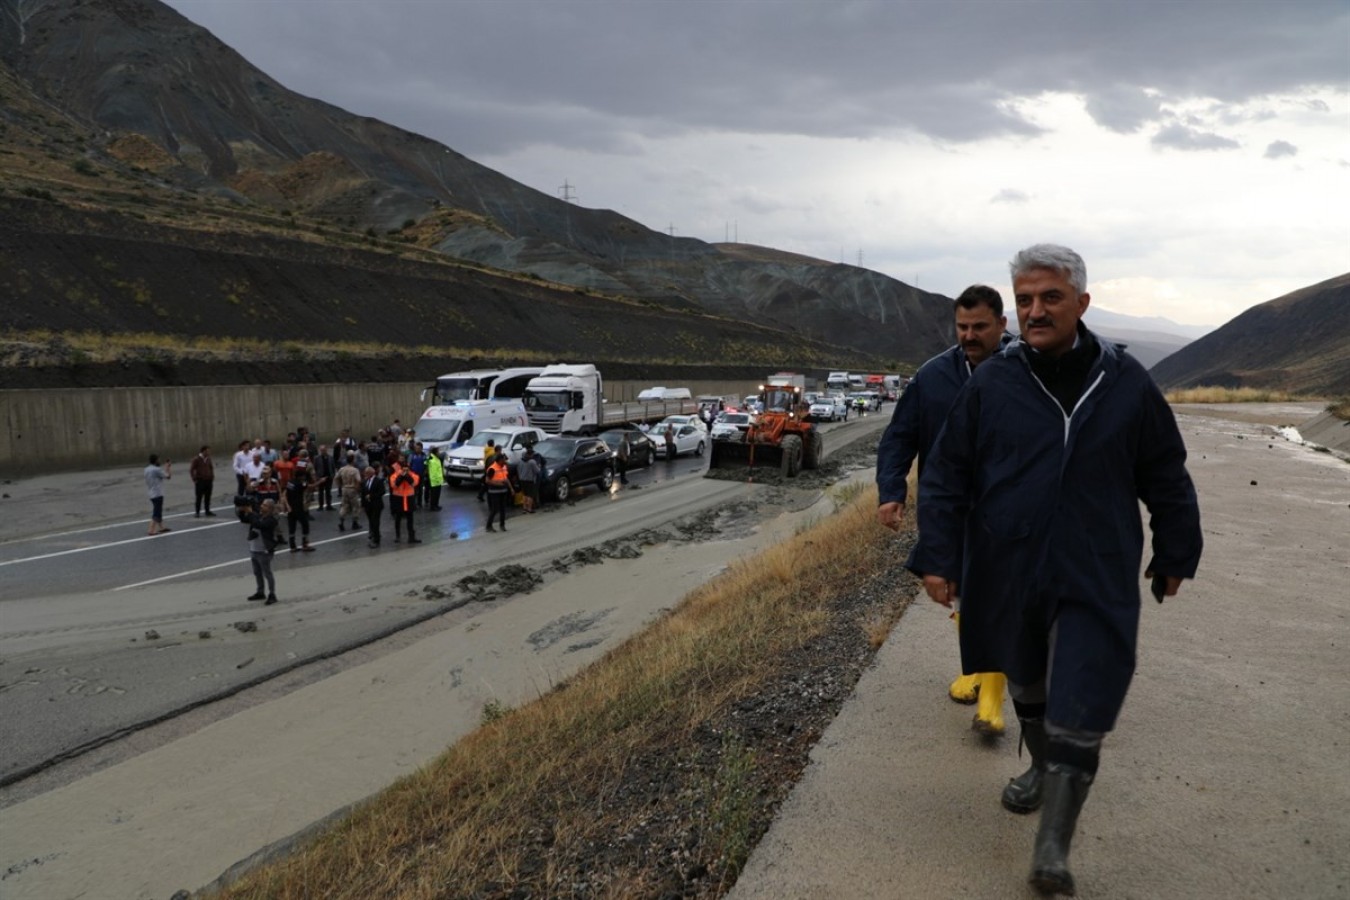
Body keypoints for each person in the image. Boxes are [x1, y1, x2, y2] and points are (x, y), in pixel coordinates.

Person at [907, 244, 1202, 895]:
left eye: (1050, 298)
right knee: (1029, 682)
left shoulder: (1125, 382)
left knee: (1083, 701)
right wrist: (936, 554)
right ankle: (1041, 768)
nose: (1035, 311)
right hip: (1008, 564)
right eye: (1026, 300)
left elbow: (1165, 470)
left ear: (1082, 304)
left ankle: (1052, 849)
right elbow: (949, 471)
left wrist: (1177, 547)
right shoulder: (995, 382)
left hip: (1096, 567)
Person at [876, 284, 1013, 734]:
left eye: (980, 327)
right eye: (962, 327)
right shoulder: (932, 376)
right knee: (958, 592)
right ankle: (975, 668)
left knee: (995, 597)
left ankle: (991, 705)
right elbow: (901, 435)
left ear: (1002, 325)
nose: (969, 335)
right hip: (949, 507)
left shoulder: (1027, 372)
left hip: (1007, 508)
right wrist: (890, 490)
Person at [244, 498, 281, 605]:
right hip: (254, 549)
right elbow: (245, 519)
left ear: (270, 508)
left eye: (264, 505)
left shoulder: (271, 520)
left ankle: (272, 594)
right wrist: (243, 510)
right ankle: (260, 592)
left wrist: (250, 513)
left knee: (267, 573)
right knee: (257, 573)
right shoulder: (259, 516)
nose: (261, 506)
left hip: (264, 551)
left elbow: (260, 525)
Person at [283, 450, 316, 552]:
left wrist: (286, 506)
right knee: (305, 524)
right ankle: (305, 544)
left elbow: (284, 494)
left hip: (291, 508)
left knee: (292, 527)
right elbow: (310, 485)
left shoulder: (290, 482)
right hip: (299, 507)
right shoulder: (300, 483)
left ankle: (292, 546)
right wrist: (320, 482)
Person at [387, 455, 421, 544]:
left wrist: (407, 476)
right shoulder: (394, 476)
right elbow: (394, 485)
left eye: (407, 470)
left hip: (409, 500)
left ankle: (411, 537)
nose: (405, 471)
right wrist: (401, 477)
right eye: (404, 470)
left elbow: (414, 483)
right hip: (399, 499)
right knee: (398, 519)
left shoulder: (413, 475)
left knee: (410, 519)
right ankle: (398, 536)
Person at [143, 454, 172, 535]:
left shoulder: (146, 469)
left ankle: (161, 527)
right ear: (155, 460)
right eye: (159, 460)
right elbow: (168, 476)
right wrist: (168, 467)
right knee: (157, 511)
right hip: (158, 493)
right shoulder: (156, 469)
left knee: (158, 510)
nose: (159, 461)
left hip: (151, 492)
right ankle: (151, 530)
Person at [483, 452, 513, 531]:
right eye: (503, 460)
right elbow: (487, 480)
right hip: (494, 492)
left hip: (503, 491)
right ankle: (488, 526)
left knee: (503, 509)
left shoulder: (503, 467)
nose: (505, 462)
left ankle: (502, 525)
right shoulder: (492, 469)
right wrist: (498, 484)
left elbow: (506, 478)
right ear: (499, 460)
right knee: (494, 509)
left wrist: (511, 488)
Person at [335, 452, 363, 532]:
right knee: (355, 506)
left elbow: (336, 478)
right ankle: (355, 522)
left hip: (344, 488)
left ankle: (341, 521)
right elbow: (358, 480)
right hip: (352, 489)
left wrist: (340, 485)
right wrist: (357, 488)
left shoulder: (342, 469)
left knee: (344, 506)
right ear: (353, 461)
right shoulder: (355, 470)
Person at [360, 465, 385, 548]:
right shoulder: (364, 482)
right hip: (368, 506)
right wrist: (363, 505)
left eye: (366, 473)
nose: (365, 474)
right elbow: (363, 494)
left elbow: (382, 492)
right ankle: (373, 535)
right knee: (371, 522)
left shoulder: (378, 481)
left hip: (376, 505)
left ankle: (376, 539)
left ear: (371, 473)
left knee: (375, 522)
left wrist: (372, 496)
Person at [189, 445, 216, 518]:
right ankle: (197, 512)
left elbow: (211, 467)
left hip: (208, 480)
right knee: (199, 497)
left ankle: (207, 511)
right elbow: (192, 469)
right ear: (203, 451)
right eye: (207, 451)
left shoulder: (208, 459)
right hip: (200, 480)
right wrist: (194, 479)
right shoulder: (197, 459)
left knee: (208, 496)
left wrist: (212, 476)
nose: (209, 452)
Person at [516, 448, 541, 513]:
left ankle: (524, 508)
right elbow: (537, 471)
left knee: (524, 494)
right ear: (531, 454)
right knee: (530, 495)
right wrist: (539, 467)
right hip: (530, 480)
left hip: (522, 479)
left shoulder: (520, 461)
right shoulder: (532, 462)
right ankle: (529, 508)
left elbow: (518, 470)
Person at [313, 444, 336, 511]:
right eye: (321, 450)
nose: (322, 451)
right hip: (320, 478)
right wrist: (317, 477)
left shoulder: (331, 458)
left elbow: (333, 467)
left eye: (324, 450)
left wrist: (333, 475)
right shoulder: (317, 458)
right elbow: (315, 467)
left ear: (326, 450)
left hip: (329, 477)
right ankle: (321, 506)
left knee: (328, 492)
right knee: (320, 492)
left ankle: (329, 505)